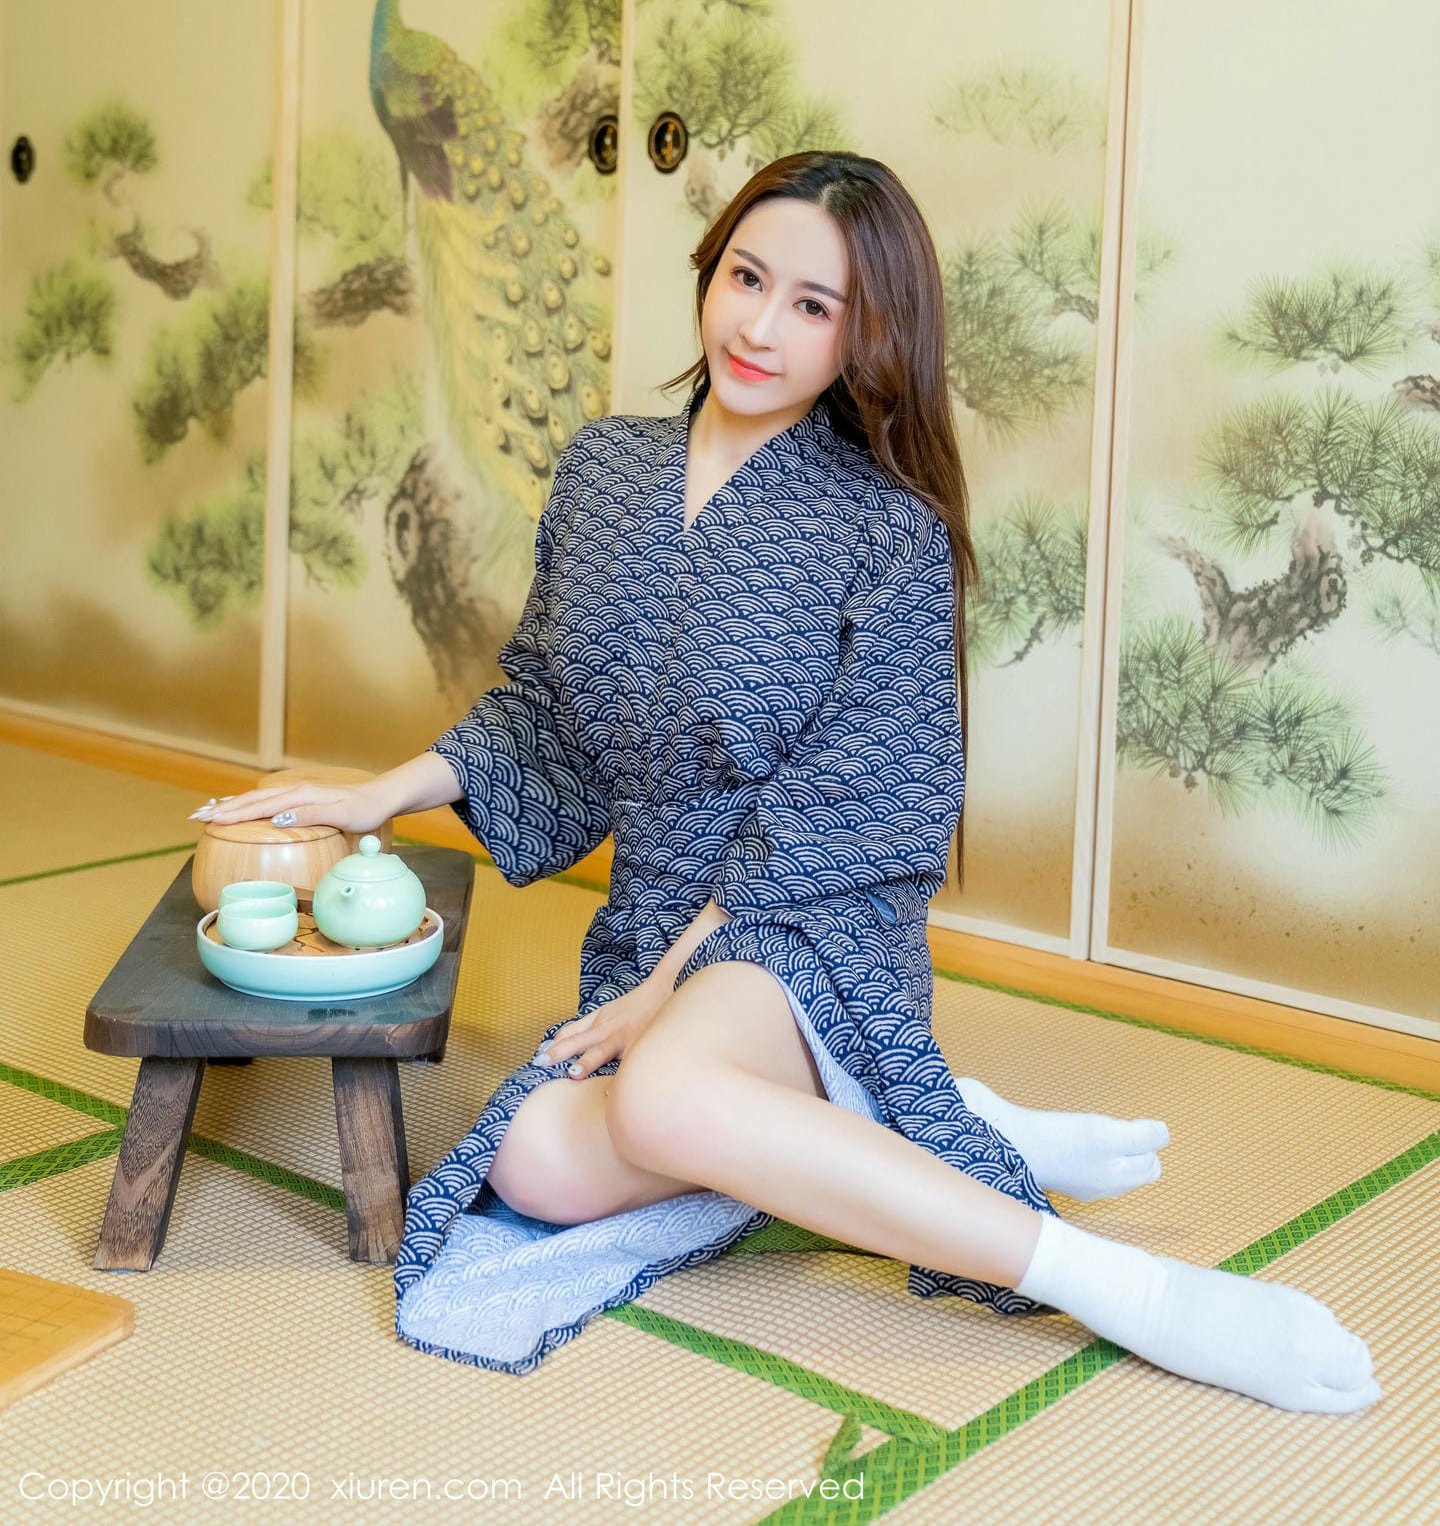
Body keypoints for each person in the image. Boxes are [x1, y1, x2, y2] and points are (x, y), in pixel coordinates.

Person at [195, 152, 1378, 1409]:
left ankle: (1115, 1281)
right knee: (536, 1160)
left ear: (868, 336)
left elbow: (852, 808)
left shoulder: (888, 528)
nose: (760, 327)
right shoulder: (603, 469)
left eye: (815, 305)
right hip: (656, 912)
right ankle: (901, 1114)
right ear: (711, 273)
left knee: (664, 1092)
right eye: (747, 278)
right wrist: (375, 794)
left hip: (811, 916)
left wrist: (666, 991)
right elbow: (549, 709)